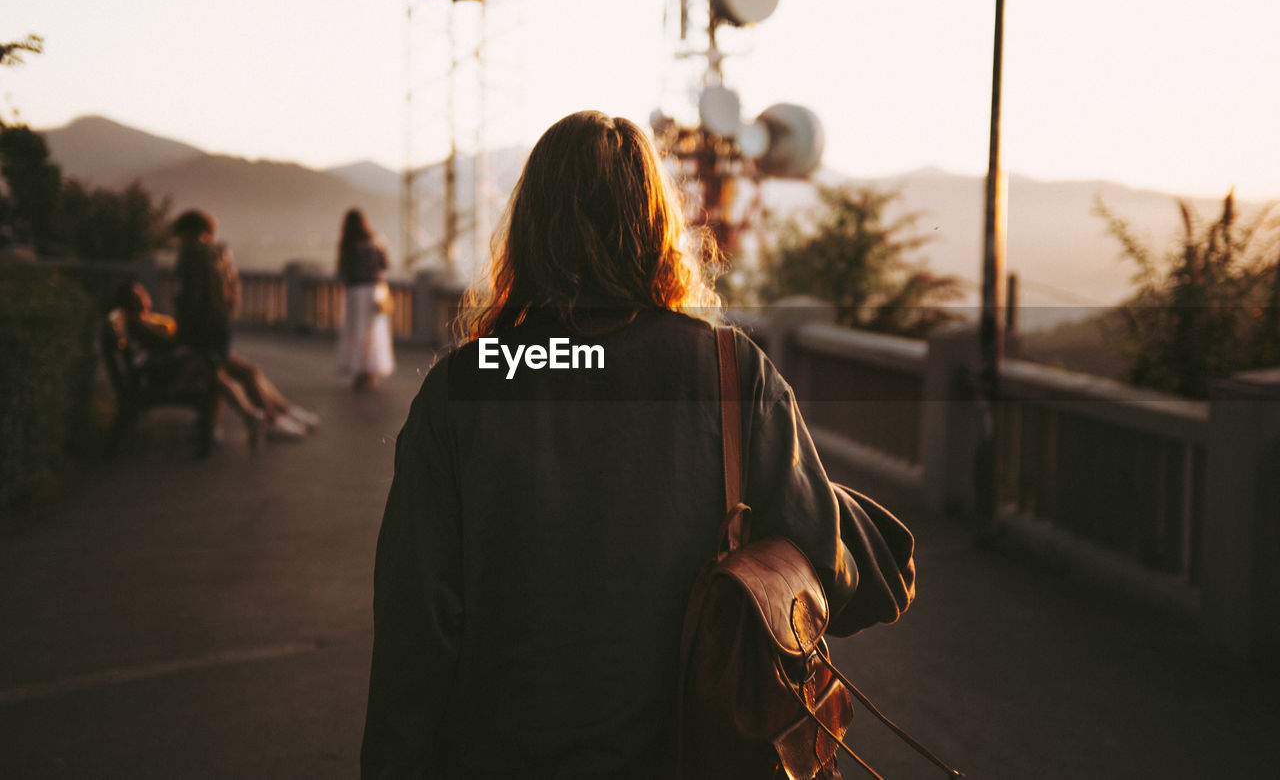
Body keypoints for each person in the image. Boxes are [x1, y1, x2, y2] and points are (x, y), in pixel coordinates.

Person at [359, 111, 915, 778]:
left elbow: (413, 632)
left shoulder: (462, 390)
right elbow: (842, 574)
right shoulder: (728, 372)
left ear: (530, 231)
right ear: (655, 227)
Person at [169, 211, 316, 443]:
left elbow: (188, 304)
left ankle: (279, 414)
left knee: (245, 372)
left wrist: (184, 338)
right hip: (212, 334)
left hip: (202, 337)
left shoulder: (192, 260)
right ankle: (273, 418)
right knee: (235, 373)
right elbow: (218, 300)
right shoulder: (212, 258)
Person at [336, 208, 395, 390]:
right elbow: (385, 264)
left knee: (356, 332)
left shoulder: (347, 243)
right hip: (373, 291)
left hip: (354, 292)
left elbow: (341, 271)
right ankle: (371, 371)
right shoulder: (375, 241)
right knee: (373, 333)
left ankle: (359, 371)